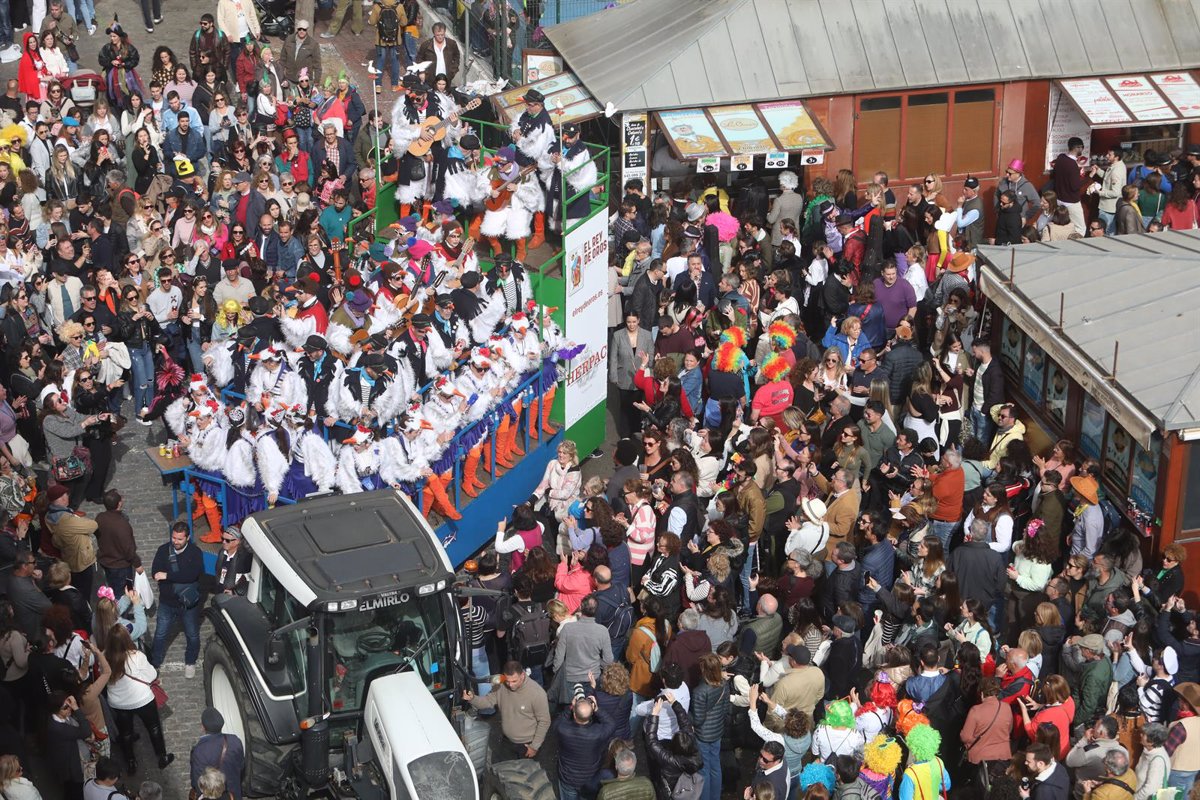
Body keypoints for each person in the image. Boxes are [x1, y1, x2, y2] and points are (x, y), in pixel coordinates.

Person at [105, 624, 174, 773]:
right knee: (154, 728)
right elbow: (152, 676)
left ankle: (131, 762)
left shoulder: (105, 657)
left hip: (118, 702)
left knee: (126, 733)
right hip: (142, 699)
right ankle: (162, 757)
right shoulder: (137, 656)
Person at [464, 661, 551, 760]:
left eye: (514, 681)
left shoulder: (537, 693)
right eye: (507, 681)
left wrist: (534, 747)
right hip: (507, 742)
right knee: (501, 772)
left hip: (527, 746)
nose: (510, 685)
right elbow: (488, 701)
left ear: (522, 675)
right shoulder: (501, 685)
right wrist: (472, 698)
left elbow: (544, 721)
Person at [149, 521, 203, 677]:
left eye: (180, 539)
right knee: (160, 634)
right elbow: (155, 572)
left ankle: (190, 662)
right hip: (167, 602)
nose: (176, 542)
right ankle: (155, 663)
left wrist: (168, 576)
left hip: (188, 604)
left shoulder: (195, 552)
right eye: (174, 538)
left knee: (192, 634)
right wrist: (177, 577)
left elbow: (192, 575)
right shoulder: (163, 550)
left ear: (187, 538)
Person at [556, 685, 617, 800]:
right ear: (591, 715)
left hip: (568, 778)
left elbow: (559, 721)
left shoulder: (563, 730)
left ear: (574, 714)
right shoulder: (597, 733)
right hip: (589, 780)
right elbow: (611, 724)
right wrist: (597, 709)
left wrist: (571, 707)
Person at [190, 707, 245, 800]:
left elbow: (198, 782)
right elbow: (242, 767)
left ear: (203, 727)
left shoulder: (199, 751)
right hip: (233, 795)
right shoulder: (235, 741)